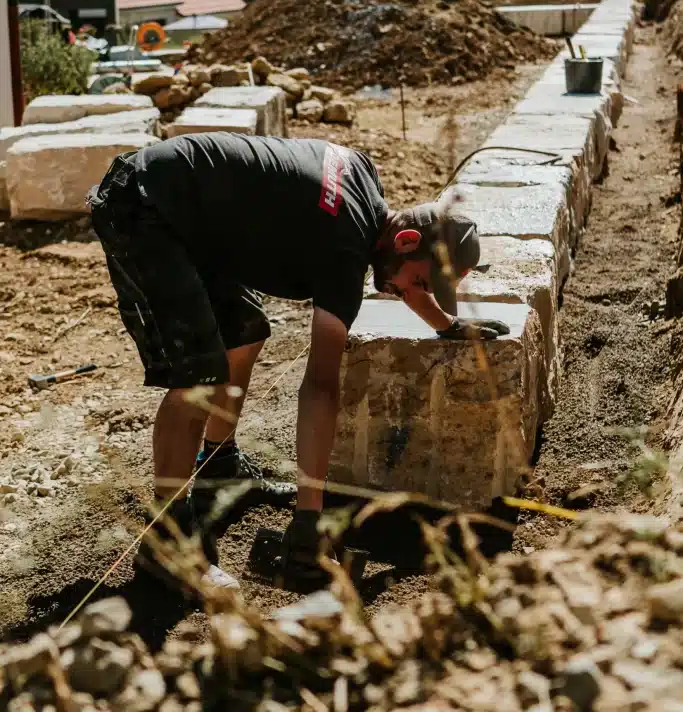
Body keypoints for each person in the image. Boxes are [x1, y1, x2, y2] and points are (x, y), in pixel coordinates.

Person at [88, 134, 509, 589]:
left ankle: (219, 463)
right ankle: (166, 545)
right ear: (405, 241)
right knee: (199, 373)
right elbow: (320, 386)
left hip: (187, 213)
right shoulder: (343, 252)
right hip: (144, 207)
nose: (415, 294)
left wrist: (445, 324)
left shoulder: (365, 183)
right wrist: (310, 519)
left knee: (245, 333)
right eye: (423, 283)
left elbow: (401, 278)